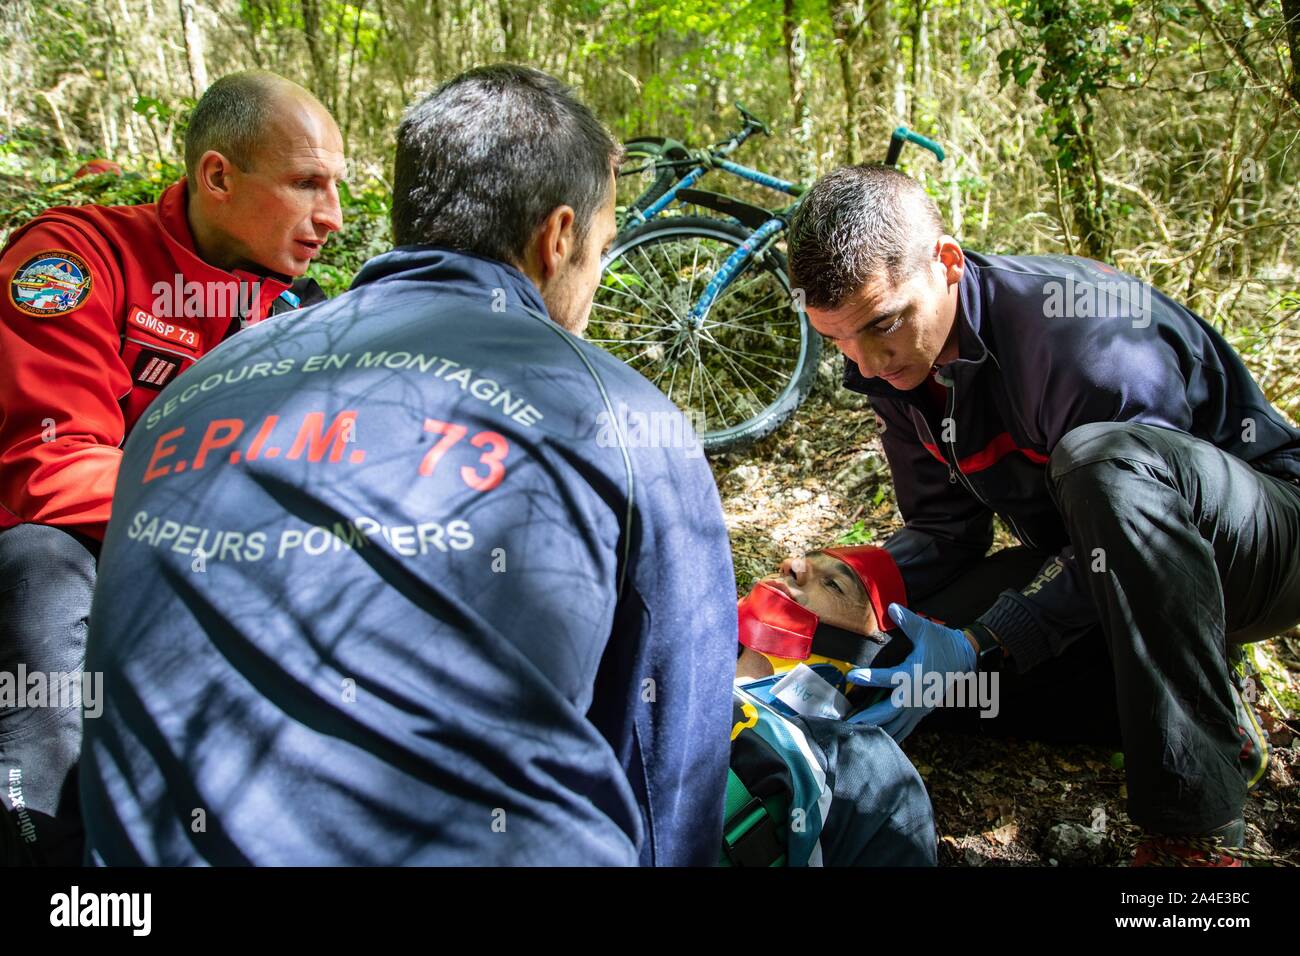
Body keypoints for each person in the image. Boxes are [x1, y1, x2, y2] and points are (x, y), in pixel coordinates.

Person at [79, 64, 737, 866]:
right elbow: (674, 778)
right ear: (558, 237)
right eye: (600, 251)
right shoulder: (627, 420)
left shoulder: (187, 397)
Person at [786, 162, 1300, 866]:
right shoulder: (893, 366)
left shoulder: (1079, 337)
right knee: (888, 659)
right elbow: (944, 533)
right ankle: (1179, 709)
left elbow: (1138, 519)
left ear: (947, 263)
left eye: (881, 326)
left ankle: (1197, 828)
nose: (868, 364)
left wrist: (988, 639)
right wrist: (852, 580)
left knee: (1102, 463)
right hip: (1100, 563)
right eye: (838, 340)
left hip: (1259, 547)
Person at [0, 69, 343, 865]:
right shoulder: (75, 258)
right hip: (65, 550)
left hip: (199, 551)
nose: (329, 217)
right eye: (304, 185)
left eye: (334, 189)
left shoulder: (302, 305)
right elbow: (47, 471)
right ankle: (48, 855)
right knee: (36, 568)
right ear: (217, 175)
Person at [725, 545, 936, 866]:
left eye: (833, 584)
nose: (789, 565)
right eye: (799, 563)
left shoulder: (865, 768)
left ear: (873, 656)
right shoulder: (661, 658)